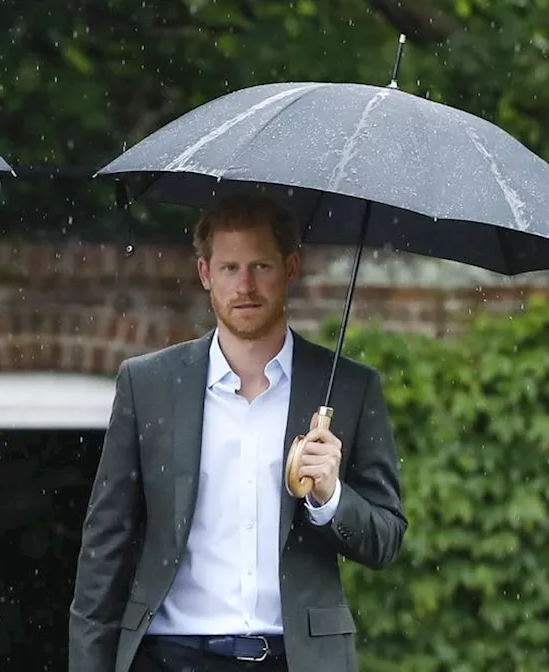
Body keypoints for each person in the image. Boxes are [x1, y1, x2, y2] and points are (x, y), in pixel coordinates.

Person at [68, 193, 407, 672]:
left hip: (297, 660)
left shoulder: (350, 388)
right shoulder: (147, 385)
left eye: (260, 266)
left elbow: (386, 538)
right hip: (170, 657)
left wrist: (330, 496)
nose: (245, 285)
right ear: (205, 273)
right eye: (229, 268)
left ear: (291, 267)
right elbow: (105, 546)